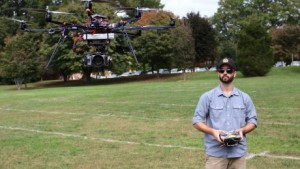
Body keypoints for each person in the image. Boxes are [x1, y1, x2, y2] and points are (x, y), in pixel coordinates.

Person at [192, 57, 257, 169]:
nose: (225, 73)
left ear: (234, 73)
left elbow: (253, 121)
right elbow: (196, 121)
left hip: (238, 154)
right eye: (222, 71)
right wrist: (213, 132)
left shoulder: (245, 98)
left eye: (229, 70)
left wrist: (243, 130)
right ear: (218, 73)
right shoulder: (207, 97)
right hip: (215, 155)